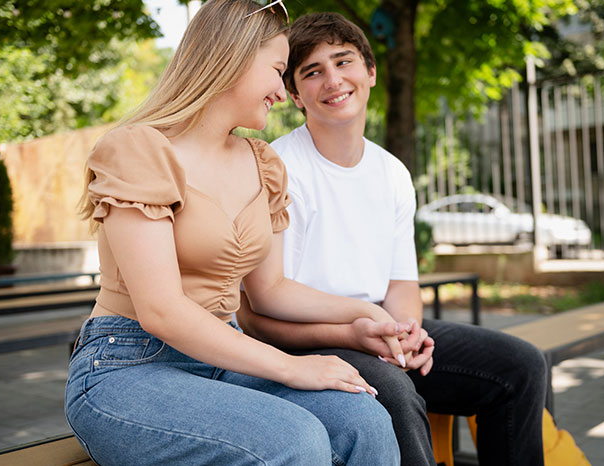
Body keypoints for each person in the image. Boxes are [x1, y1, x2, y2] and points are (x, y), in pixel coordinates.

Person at [64, 2, 404, 465]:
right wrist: (292, 367)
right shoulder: (138, 149)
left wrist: (364, 315)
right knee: (293, 438)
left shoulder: (261, 163)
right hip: (128, 365)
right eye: (278, 70)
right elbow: (161, 310)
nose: (282, 94)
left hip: (223, 358)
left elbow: (272, 291)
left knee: (363, 421)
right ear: (235, 58)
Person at [236, 12, 548, 466]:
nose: (333, 80)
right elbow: (261, 310)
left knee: (520, 365)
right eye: (312, 71)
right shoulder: (279, 166)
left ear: (371, 72)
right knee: (395, 393)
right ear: (296, 95)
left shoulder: (392, 172)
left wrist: (407, 332)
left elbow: (401, 284)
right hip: (301, 341)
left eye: (344, 62)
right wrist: (365, 329)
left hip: (375, 329)